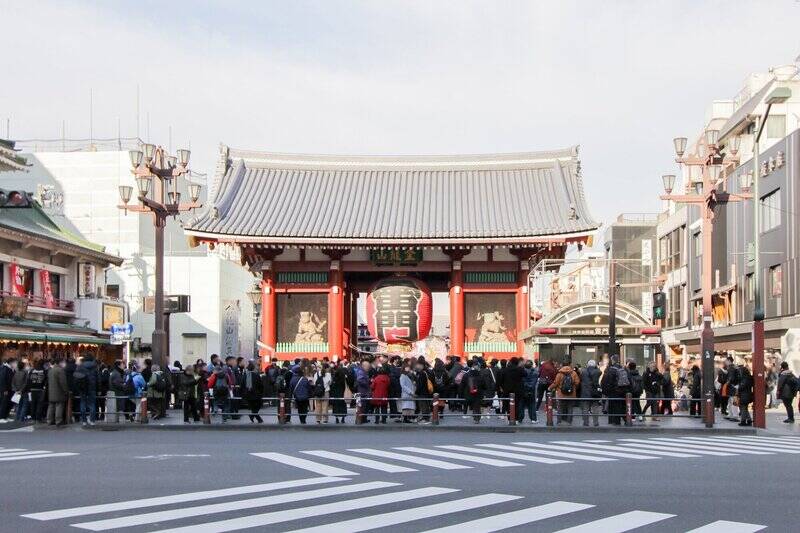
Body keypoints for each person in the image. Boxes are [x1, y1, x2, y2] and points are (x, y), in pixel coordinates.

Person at [549, 357, 580, 424]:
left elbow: (555, 383)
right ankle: (569, 421)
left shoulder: (559, 373)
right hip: (571, 394)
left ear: (562, 365)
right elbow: (577, 382)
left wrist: (550, 388)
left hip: (561, 394)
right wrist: (573, 387)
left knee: (560, 408)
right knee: (570, 408)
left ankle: (559, 421)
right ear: (569, 364)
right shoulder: (574, 373)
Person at [601, 355, 629, 425]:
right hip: (622, 390)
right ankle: (626, 420)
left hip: (613, 391)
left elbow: (606, 381)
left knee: (614, 407)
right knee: (622, 406)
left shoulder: (611, 370)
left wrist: (605, 391)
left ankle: (616, 421)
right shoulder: (623, 368)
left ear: (612, 360)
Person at [74, 354, 100, 426]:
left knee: (82, 403)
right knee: (92, 404)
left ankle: (84, 421)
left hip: (82, 387)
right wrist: (99, 389)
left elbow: (76, 377)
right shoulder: (95, 367)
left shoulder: (80, 366)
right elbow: (98, 379)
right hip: (92, 387)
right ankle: (92, 421)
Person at [46, 359, 69, 426]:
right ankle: (58, 420)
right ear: (60, 363)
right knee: (59, 405)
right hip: (59, 391)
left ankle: (49, 420)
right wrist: (66, 391)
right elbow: (63, 382)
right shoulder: (60, 370)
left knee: (51, 406)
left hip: (51, 391)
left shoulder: (50, 370)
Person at [580, 359, 601, 427]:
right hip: (594, 392)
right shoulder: (597, 371)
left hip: (585, 392)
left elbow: (581, 380)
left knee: (585, 408)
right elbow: (600, 372)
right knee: (595, 407)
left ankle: (586, 423)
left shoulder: (583, 372)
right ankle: (596, 422)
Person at [521, 359, 539, 424]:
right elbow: (534, 382)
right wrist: (530, 386)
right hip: (531, 390)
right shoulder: (535, 372)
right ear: (531, 365)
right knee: (532, 405)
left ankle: (520, 419)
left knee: (521, 405)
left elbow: (522, 381)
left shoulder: (522, 371)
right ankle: (533, 419)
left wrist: (525, 386)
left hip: (523, 390)